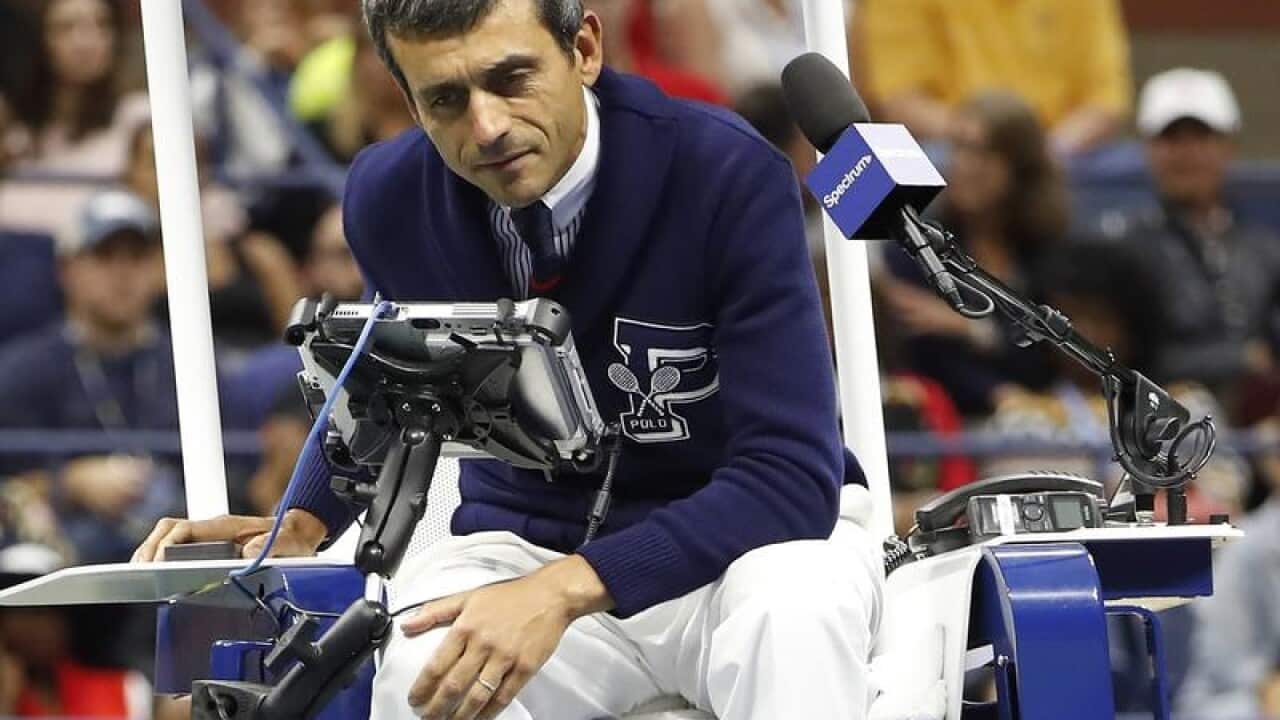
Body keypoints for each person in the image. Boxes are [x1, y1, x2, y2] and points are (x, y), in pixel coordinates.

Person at [134, 1, 883, 719]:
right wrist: (298, 522)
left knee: (796, 615)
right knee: (425, 670)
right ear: (407, 99)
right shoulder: (387, 195)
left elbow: (789, 478)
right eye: (446, 99)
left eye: (510, 78)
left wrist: (565, 589)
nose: (486, 125)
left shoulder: (726, 170)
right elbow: (389, 386)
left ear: (584, 50)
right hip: (524, 544)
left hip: (742, 552)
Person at [0, 189, 183, 565]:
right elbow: (9, 486)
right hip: (62, 553)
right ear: (67, 269)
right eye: (104, 256)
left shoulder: (188, 363)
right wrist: (70, 483)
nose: (123, 273)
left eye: (137, 257)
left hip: (172, 540)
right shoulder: (24, 370)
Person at [1104, 68, 1280, 422]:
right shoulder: (1120, 246)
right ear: (1148, 150)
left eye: (1201, 136)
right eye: (1171, 138)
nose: (1187, 153)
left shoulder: (1265, 249)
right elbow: (1126, 359)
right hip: (1162, 426)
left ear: (1229, 147)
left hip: (1260, 427)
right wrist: (1239, 359)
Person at [877, 91, 1063, 416]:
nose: (964, 166)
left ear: (1020, 166)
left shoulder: (1047, 248)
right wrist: (998, 393)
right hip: (950, 425)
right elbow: (927, 352)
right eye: (958, 148)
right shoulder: (917, 243)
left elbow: (1051, 353)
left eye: (983, 152)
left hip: (1044, 414)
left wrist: (973, 329)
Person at [855, 0, 1132, 157]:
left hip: (1058, 150)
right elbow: (899, 100)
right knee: (915, 168)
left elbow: (1105, 100)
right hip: (955, 144)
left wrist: (1050, 148)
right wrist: (985, 139)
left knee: (1132, 170)